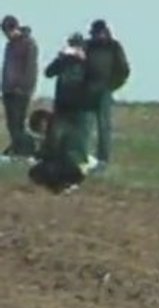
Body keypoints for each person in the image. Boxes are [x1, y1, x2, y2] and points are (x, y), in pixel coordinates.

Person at [35, 32, 96, 192]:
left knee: (77, 142)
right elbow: (49, 72)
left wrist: (81, 58)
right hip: (62, 106)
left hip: (79, 107)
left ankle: (77, 171)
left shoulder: (87, 62)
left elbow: (95, 77)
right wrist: (61, 59)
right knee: (57, 140)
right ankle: (56, 170)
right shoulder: (64, 61)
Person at [84, 19, 130, 170]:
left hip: (104, 92)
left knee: (104, 127)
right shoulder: (87, 46)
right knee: (85, 126)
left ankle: (102, 160)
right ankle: (84, 158)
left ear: (105, 32)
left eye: (99, 33)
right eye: (94, 33)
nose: (97, 36)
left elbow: (123, 70)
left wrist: (111, 86)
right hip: (87, 91)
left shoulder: (114, 47)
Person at [1, 15, 38, 159]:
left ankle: (23, 151)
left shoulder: (29, 44)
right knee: (11, 124)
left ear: (14, 28)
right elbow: (6, 67)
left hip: (21, 91)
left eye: (7, 32)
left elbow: (31, 68)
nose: (6, 35)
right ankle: (16, 149)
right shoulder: (10, 45)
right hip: (8, 90)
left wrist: (23, 86)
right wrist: (4, 86)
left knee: (18, 123)